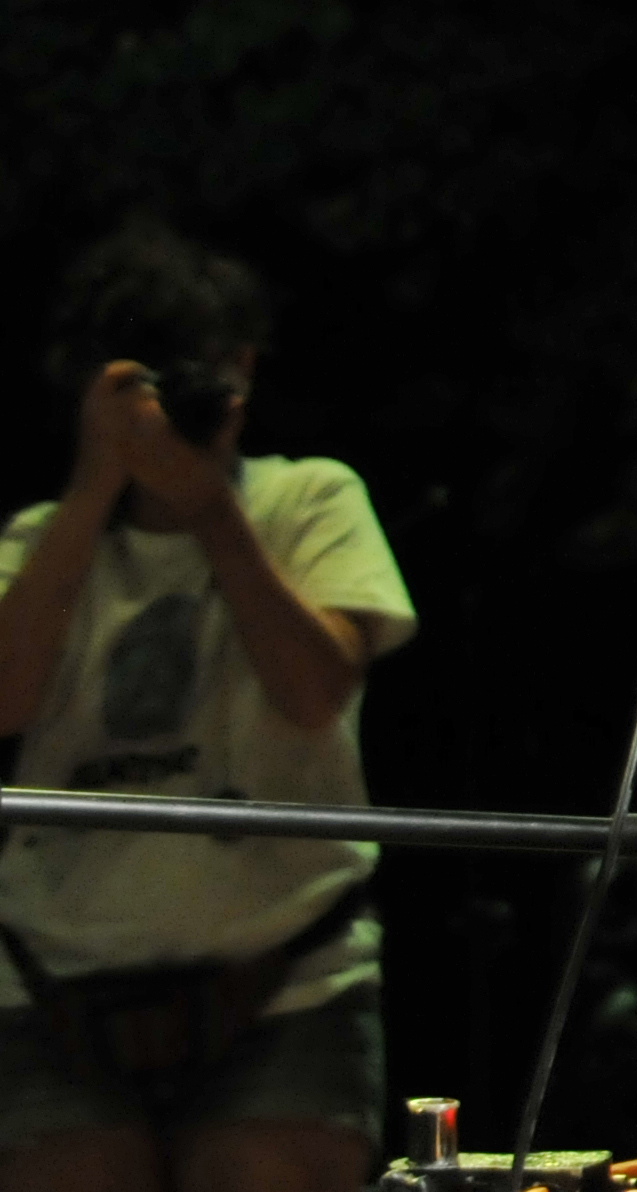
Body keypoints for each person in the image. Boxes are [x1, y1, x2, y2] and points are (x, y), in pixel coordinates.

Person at [0, 222, 417, 1192]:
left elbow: (315, 691)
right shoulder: (37, 538)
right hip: (51, 977)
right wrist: (96, 482)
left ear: (243, 368)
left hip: (287, 975)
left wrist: (210, 511)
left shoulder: (310, 499)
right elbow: (6, 698)